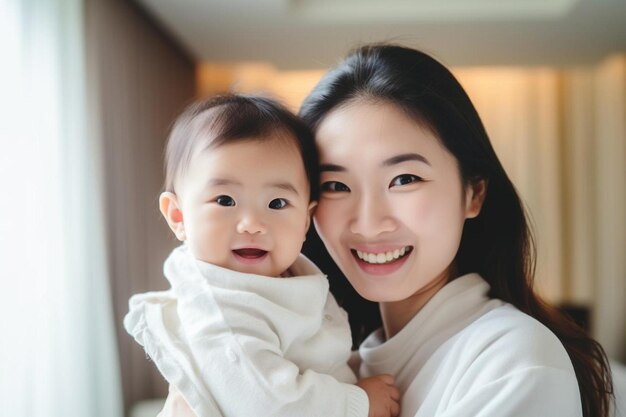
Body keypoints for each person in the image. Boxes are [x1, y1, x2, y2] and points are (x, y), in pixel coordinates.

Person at [158, 45, 614, 417]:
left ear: (473, 193)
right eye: (336, 185)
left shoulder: (511, 361)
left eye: (404, 179)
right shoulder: (328, 367)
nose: (369, 221)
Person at [124, 95, 400, 417]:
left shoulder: (286, 277)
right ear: (178, 216)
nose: (252, 224)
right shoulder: (220, 309)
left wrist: (353, 370)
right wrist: (357, 402)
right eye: (225, 200)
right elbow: (266, 403)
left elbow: (312, 353)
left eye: (277, 204)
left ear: (305, 220)